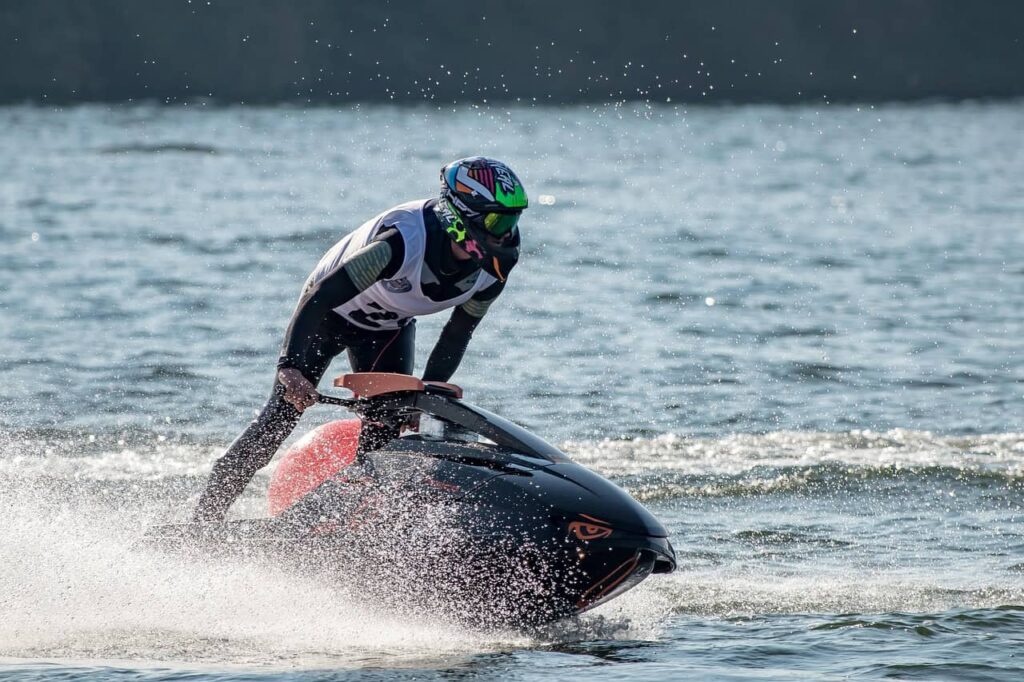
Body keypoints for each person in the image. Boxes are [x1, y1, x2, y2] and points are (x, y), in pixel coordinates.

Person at [192, 156, 528, 522]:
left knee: (386, 428)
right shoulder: (402, 242)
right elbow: (320, 297)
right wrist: (289, 366)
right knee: (282, 416)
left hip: (387, 328)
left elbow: (458, 332)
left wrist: (429, 393)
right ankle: (205, 516)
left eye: (513, 219)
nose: (506, 232)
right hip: (326, 316)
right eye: (498, 220)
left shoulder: (494, 268)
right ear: (459, 216)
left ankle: (358, 526)